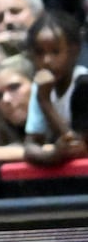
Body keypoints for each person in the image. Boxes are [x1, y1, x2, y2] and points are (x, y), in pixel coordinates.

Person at [23, 10, 88, 167]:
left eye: (55, 52)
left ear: (74, 50)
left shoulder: (83, 85)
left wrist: (45, 102)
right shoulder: (40, 88)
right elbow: (30, 147)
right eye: (39, 53)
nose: (47, 60)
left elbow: (76, 148)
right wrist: (53, 155)